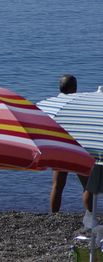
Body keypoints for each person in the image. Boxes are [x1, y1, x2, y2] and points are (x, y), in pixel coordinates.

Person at [50, 74, 92, 213]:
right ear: (74, 88)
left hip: (59, 148)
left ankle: (54, 216)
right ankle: (90, 215)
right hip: (76, 148)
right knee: (87, 186)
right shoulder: (78, 103)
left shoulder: (52, 104)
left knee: (57, 186)